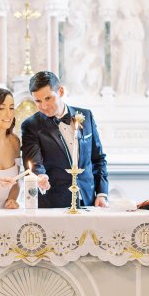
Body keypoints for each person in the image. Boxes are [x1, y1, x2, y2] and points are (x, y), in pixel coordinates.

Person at [21, 71, 108, 208]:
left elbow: (98, 159)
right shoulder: (31, 126)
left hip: (89, 201)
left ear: (60, 91)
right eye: (38, 101)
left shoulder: (86, 116)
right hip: (54, 204)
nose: (43, 106)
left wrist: (101, 193)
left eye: (48, 98)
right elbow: (34, 162)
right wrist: (40, 177)